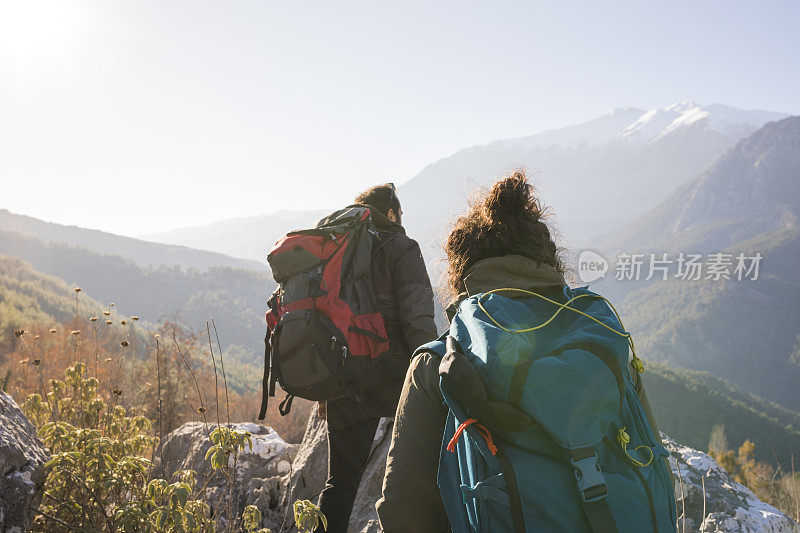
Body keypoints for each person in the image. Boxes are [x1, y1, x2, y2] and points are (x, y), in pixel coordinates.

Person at [376, 171, 671, 532]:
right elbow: (654, 461)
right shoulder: (602, 338)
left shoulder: (439, 364)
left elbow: (403, 510)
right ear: (547, 259)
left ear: (461, 273)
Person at [317, 183, 438, 533]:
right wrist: (433, 376)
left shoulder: (336, 251)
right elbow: (418, 320)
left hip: (343, 380)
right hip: (394, 379)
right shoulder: (403, 248)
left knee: (339, 485)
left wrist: (327, 388)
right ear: (391, 214)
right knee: (420, 475)